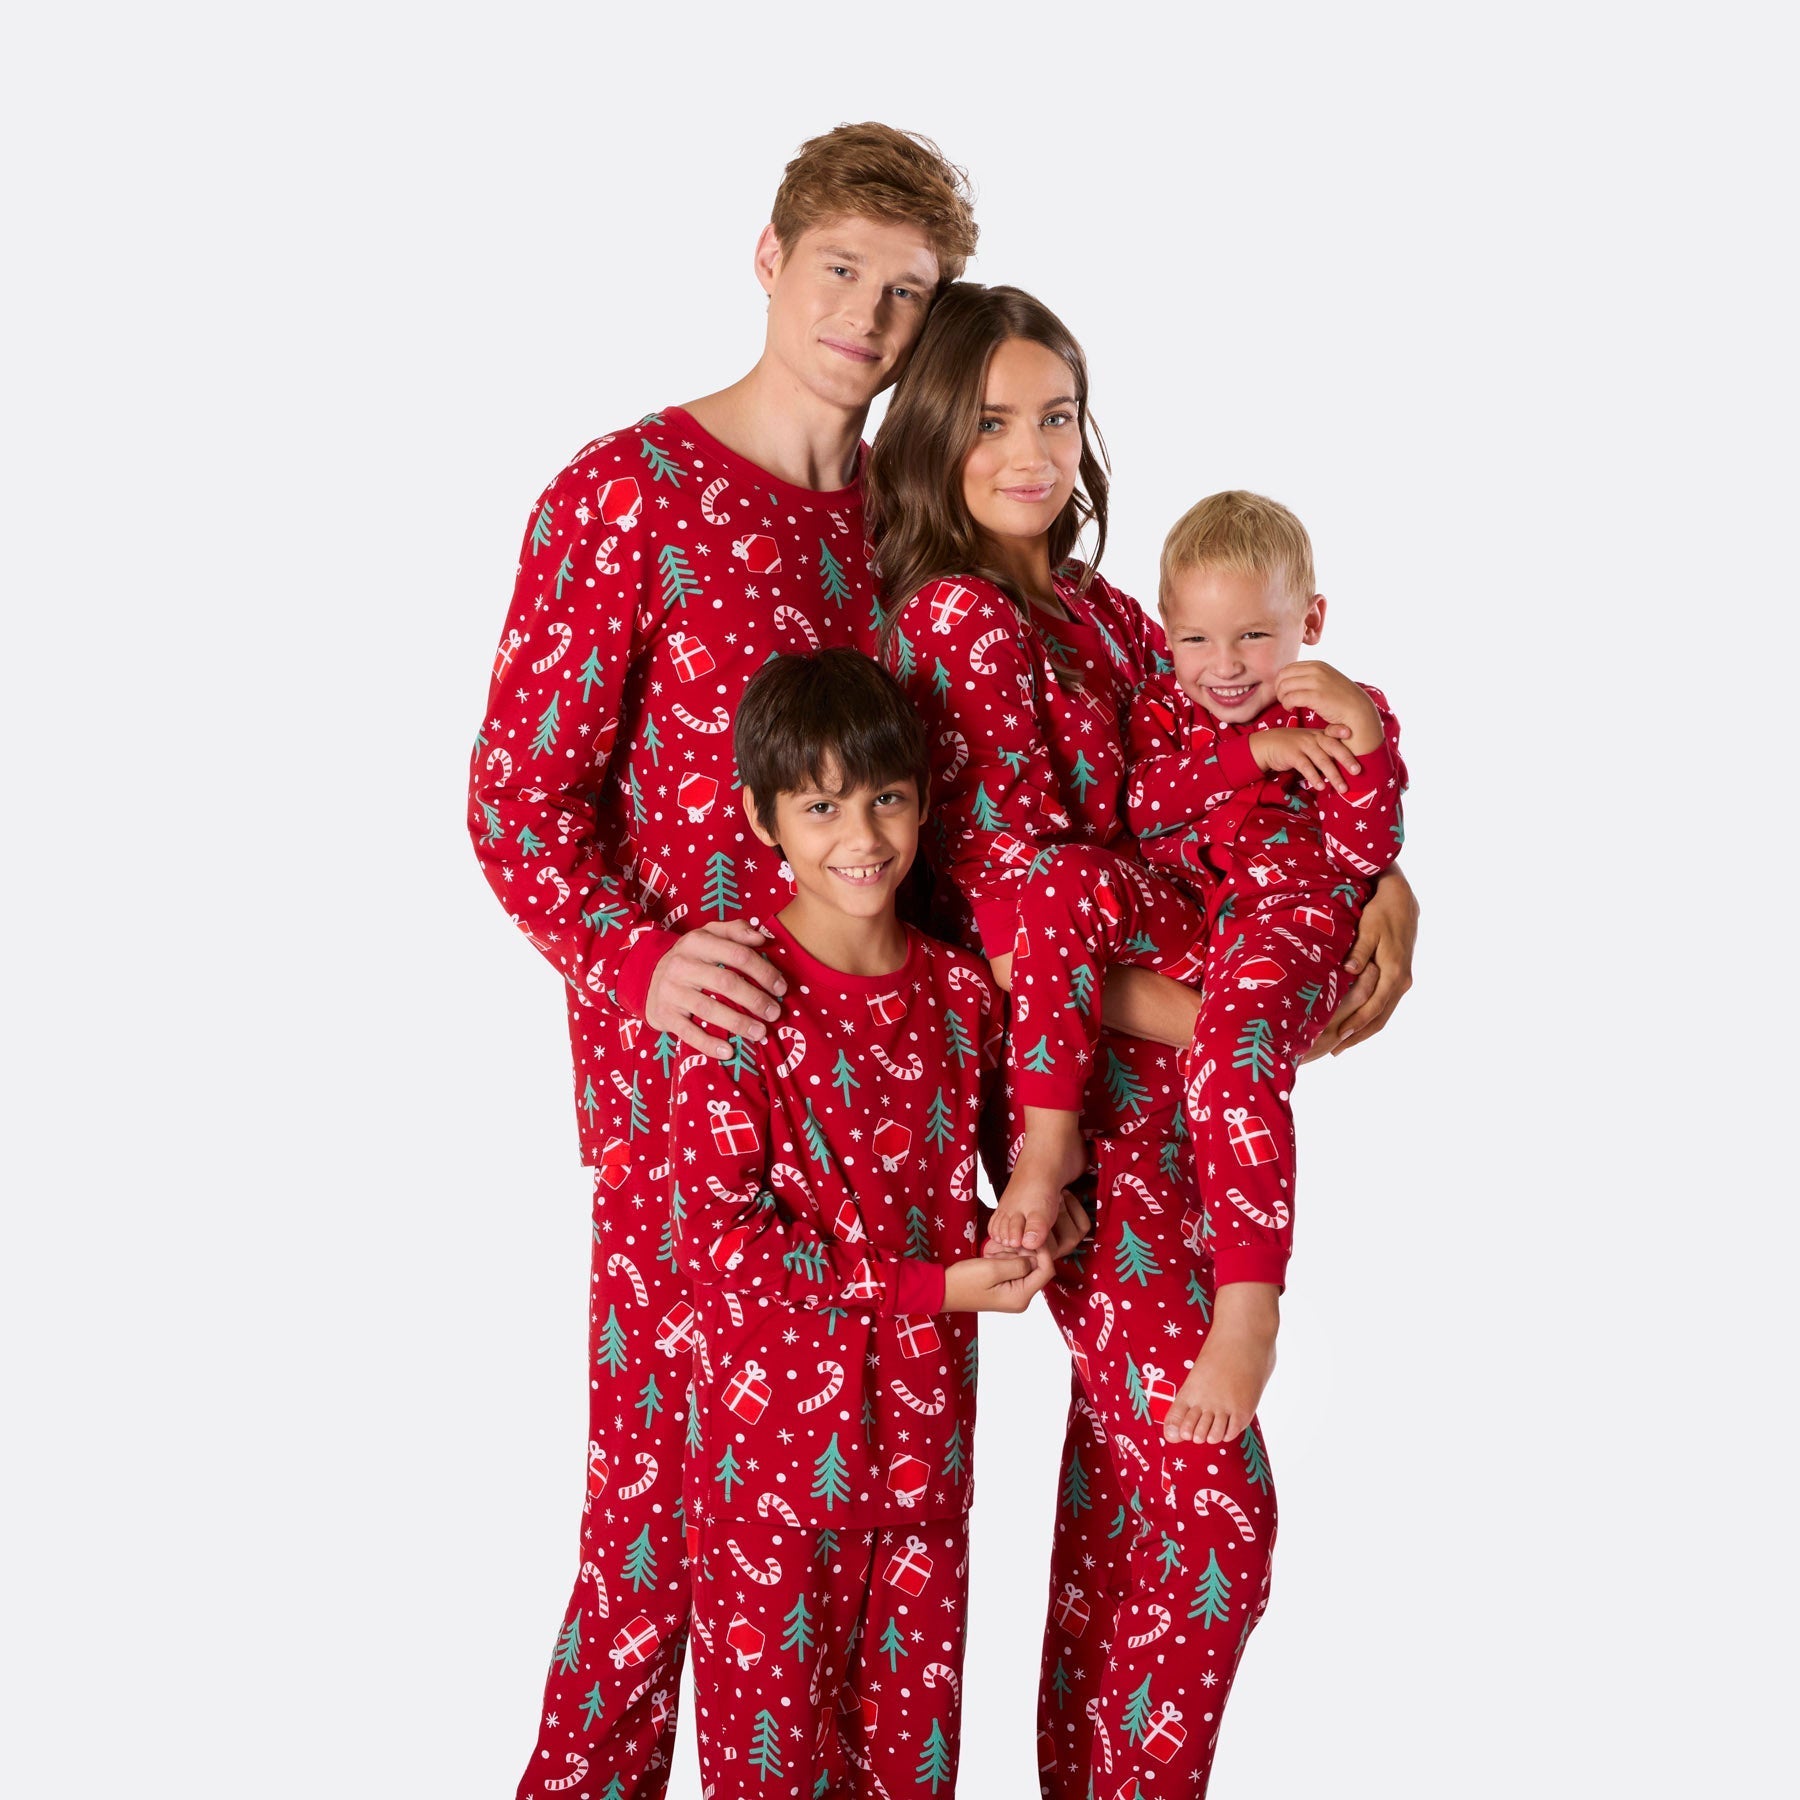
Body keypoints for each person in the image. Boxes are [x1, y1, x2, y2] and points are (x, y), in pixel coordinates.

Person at [466, 124, 978, 1799]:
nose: (866, 317)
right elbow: (517, 800)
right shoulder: (629, 492)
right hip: (691, 1148)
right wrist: (637, 962)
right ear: (769, 260)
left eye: (907, 294)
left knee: (889, 1598)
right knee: (651, 1572)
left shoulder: (917, 529)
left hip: (893, 1146)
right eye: (840, 270)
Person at [870, 283, 1419, 1796]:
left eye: (1057, 416)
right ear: (934, 431)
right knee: (1213, 1515)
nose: (1033, 451)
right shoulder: (955, 619)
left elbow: (1233, 790)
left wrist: (1379, 882)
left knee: (1133, 1493)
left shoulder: (1111, 611)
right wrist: (1238, 1028)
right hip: (1090, 1105)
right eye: (993, 420)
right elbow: (1009, 916)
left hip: (1185, 1079)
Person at [671, 647, 1053, 1799]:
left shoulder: (961, 996)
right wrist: (938, 1286)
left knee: (911, 1777)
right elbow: (725, 1250)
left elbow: (967, 1193)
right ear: (763, 818)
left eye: (885, 798)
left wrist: (1032, 1228)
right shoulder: (735, 998)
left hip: (927, 1468)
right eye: (822, 806)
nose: (862, 835)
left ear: (924, 799)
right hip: (774, 1484)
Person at [997, 488, 1406, 1441]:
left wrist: (1364, 739)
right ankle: (1049, 1143)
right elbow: (1140, 807)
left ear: (1310, 621)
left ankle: (1248, 1308)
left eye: (1255, 637)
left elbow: (1365, 848)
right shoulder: (1162, 708)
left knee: (1229, 1055)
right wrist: (1251, 752)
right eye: (1196, 641)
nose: (1225, 667)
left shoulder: (1342, 709)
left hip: (1292, 927)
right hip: (1195, 918)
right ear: (1167, 631)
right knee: (1061, 880)